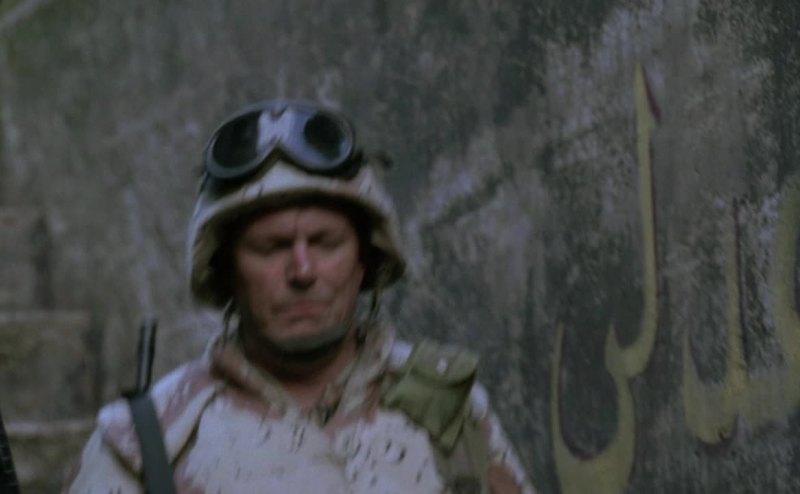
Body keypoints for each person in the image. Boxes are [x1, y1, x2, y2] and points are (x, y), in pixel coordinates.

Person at [66, 99, 534, 493]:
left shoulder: (449, 411)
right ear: (227, 272)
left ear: (363, 263)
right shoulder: (147, 442)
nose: (302, 272)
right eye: (271, 248)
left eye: (326, 243)